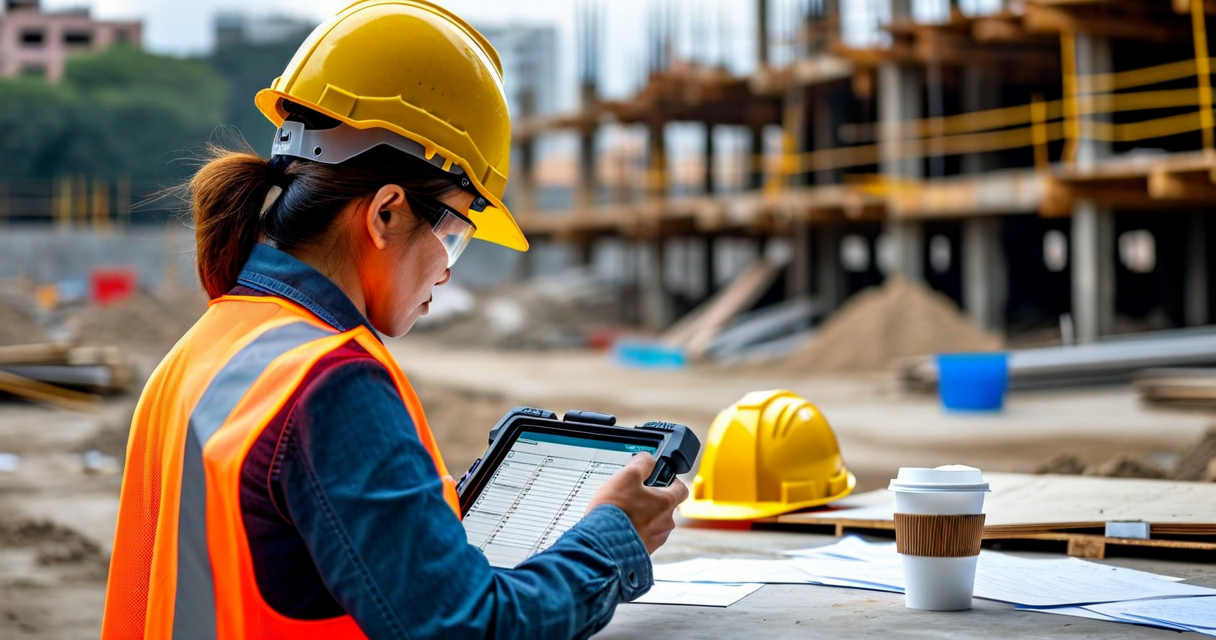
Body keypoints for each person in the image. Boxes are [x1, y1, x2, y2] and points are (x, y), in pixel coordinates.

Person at [99, 2, 688, 639]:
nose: (449, 269)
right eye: (458, 233)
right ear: (385, 213)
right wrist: (611, 541)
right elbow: (468, 629)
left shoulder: (203, 351)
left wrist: (417, 522)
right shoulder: (328, 384)